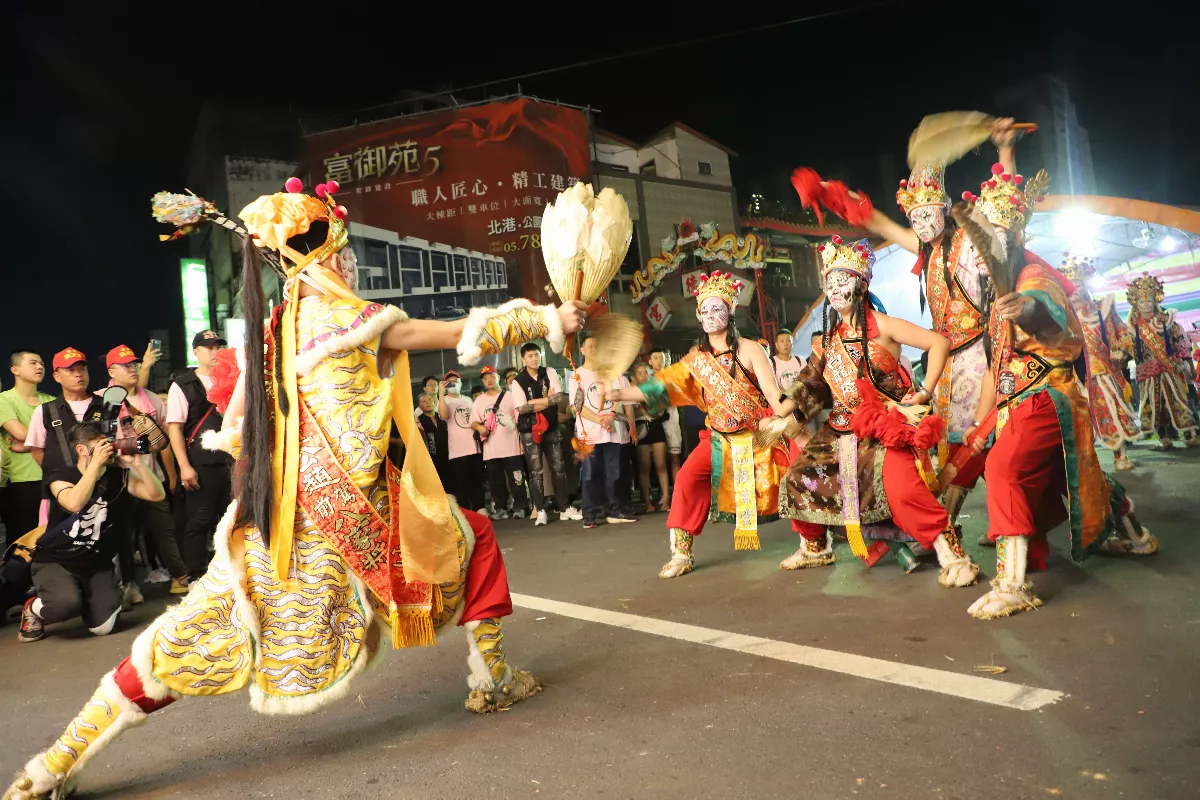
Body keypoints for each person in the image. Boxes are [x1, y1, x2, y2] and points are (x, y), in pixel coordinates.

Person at [4, 181, 586, 800]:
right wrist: (546, 317)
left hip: (275, 516)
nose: (349, 264)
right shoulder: (344, 317)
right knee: (468, 539)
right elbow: (441, 335)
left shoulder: (276, 329)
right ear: (326, 257)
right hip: (346, 514)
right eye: (344, 252)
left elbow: (240, 433)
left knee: (193, 636)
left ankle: (53, 764)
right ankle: (492, 678)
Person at [793, 120, 1016, 530]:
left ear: (945, 208)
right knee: (956, 448)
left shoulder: (968, 240)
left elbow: (1003, 210)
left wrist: (1004, 150)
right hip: (949, 360)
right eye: (915, 216)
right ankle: (952, 526)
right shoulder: (924, 250)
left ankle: (988, 524)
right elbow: (878, 223)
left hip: (989, 352)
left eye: (929, 212)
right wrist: (833, 194)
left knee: (993, 442)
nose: (922, 222)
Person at [954, 167, 1155, 619]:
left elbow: (1042, 312)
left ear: (1016, 235)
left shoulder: (1033, 277)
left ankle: (1012, 583)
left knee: (1005, 466)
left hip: (1048, 394)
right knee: (1074, 475)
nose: (984, 249)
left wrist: (1023, 309)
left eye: (996, 235)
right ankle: (1136, 531)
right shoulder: (998, 286)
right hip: (1019, 397)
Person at [770, 237, 978, 586]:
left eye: (843, 281)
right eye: (829, 284)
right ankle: (815, 547)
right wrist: (781, 413)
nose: (835, 291)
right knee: (796, 478)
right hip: (837, 434)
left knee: (903, 491)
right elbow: (811, 384)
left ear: (862, 285)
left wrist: (924, 391)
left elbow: (938, 343)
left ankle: (953, 556)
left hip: (883, 429)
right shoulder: (827, 340)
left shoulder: (884, 326)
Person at [606, 271, 791, 578]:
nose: (711, 316)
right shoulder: (697, 359)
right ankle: (681, 552)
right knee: (687, 480)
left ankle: (815, 541)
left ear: (730, 311)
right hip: (718, 440)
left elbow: (773, 393)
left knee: (798, 475)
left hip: (758, 437)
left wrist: (790, 421)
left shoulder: (751, 349)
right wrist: (619, 393)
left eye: (717, 308)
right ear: (697, 315)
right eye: (704, 310)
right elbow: (660, 386)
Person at [17, 421, 165, 644]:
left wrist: (139, 465)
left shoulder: (116, 476)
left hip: (96, 562)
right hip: (57, 560)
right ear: (82, 450)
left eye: (108, 443)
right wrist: (94, 468)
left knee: (103, 627)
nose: (107, 449)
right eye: (100, 445)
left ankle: (86, 598)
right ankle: (34, 608)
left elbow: (156, 495)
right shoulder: (60, 475)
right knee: (64, 606)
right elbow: (74, 503)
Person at [103, 344, 188, 602]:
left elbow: (164, 441)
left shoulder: (151, 398)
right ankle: (127, 584)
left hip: (151, 476)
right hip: (119, 479)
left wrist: (171, 475)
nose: (132, 368)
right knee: (123, 534)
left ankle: (180, 577)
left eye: (134, 364)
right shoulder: (102, 399)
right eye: (125, 365)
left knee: (165, 528)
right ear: (111, 370)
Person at [1056, 255, 1142, 469]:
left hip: (1102, 372)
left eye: (1077, 285)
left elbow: (1121, 334)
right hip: (1072, 377)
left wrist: (1121, 350)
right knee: (1077, 420)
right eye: (1069, 287)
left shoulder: (1101, 310)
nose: (1074, 291)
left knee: (1112, 411)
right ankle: (1084, 466)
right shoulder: (1061, 316)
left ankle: (1120, 455)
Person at [166, 330, 234, 580]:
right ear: (196, 352)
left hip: (230, 460)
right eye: (209, 348)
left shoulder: (231, 380)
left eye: (219, 347)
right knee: (199, 522)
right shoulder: (182, 385)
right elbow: (174, 428)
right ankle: (195, 576)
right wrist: (184, 466)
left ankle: (229, 574)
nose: (216, 352)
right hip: (201, 464)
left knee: (230, 521)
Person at [24, 349, 105, 537]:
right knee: (56, 541)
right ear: (56, 376)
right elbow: (37, 451)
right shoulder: (45, 411)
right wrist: (61, 472)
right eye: (70, 370)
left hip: (103, 492)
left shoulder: (105, 405)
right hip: (61, 493)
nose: (78, 374)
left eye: (82, 369)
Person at [570, 333, 637, 529]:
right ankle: (589, 514)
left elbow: (617, 397)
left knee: (614, 473)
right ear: (582, 350)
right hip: (588, 432)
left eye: (597, 346)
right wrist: (600, 418)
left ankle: (615, 510)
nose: (594, 349)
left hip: (612, 429)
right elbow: (578, 406)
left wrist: (610, 416)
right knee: (590, 474)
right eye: (589, 346)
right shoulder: (577, 375)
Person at [1125, 272, 1198, 449]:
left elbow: (1179, 342)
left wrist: (1188, 363)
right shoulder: (1132, 326)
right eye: (1142, 301)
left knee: (1179, 400)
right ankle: (1164, 437)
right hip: (1148, 370)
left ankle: (1190, 434)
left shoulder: (1166, 319)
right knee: (1154, 403)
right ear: (1136, 302)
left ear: (1156, 300)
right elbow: (1129, 349)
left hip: (1170, 367)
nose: (1146, 304)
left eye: (1149, 300)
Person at [511, 343, 580, 524]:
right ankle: (540, 509)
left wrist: (536, 401)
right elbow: (522, 408)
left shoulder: (549, 372)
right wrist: (547, 400)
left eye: (537, 355)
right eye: (530, 356)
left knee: (558, 467)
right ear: (523, 359)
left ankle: (564, 507)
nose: (535, 358)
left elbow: (558, 398)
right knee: (535, 472)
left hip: (551, 426)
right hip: (530, 430)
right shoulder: (517, 381)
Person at [0, 350, 52, 547]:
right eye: (33, 363)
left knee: (50, 538)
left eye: (42, 363)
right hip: (20, 482)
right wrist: (49, 440)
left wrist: (29, 446)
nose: (40, 367)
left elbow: (67, 437)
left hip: (51, 477)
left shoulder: (51, 400)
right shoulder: (4, 400)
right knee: (22, 541)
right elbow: (20, 433)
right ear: (15, 370)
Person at [471, 365, 528, 519]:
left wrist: (522, 441)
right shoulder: (479, 400)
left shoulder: (510, 396)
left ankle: (520, 506)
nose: (488, 380)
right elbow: (473, 422)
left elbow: (519, 420)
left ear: (497, 378)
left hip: (512, 446)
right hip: (491, 449)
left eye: (491, 376)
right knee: (496, 481)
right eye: (485, 378)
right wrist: (480, 427)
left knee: (516, 478)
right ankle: (501, 509)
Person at [438, 370, 487, 514]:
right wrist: (440, 393)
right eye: (450, 382)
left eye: (456, 381)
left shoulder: (468, 399)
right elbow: (443, 415)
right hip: (457, 450)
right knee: (461, 483)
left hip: (474, 446)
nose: (454, 384)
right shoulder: (445, 400)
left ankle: (480, 507)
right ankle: (466, 511)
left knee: (477, 480)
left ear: (461, 383)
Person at [632, 363, 671, 513]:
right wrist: (647, 411)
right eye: (640, 373)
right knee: (645, 467)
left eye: (645, 372)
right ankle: (647, 502)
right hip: (641, 429)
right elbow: (631, 412)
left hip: (656, 427)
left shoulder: (656, 390)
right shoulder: (631, 391)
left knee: (661, 465)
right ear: (635, 377)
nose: (643, 375)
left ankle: (666, 499)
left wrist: (647, 409)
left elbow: (660, 412)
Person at [648, 348, 681, 480]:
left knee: (674, 458)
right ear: (650, 361)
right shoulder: (646, 379)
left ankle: (678, 490)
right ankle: (662, 494)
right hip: (653, 423)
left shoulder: (672, 376)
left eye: (661, 358)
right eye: (655, 358)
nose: (659, 361)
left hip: (672, 421)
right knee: (656, 462)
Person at [415, 391, 450, 488]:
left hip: (448, 457)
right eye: (424, 401)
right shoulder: (419, 420)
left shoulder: (441, 416)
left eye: (430, 400)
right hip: (431, 459)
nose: (428, 403)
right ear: (419, 405)